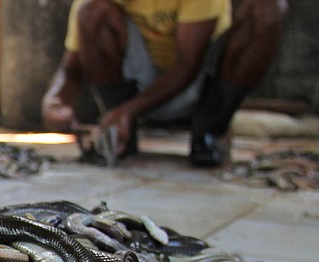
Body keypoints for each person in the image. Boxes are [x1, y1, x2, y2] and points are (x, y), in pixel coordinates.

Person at [41, 0, 287, 166]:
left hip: (197, 86)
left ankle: (210, 131)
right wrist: (54, 101)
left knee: (268, 7)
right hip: (136, 85)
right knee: (93, 11)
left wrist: (129, 110)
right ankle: (120, 134)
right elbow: (70, 68)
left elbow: (188, 67)